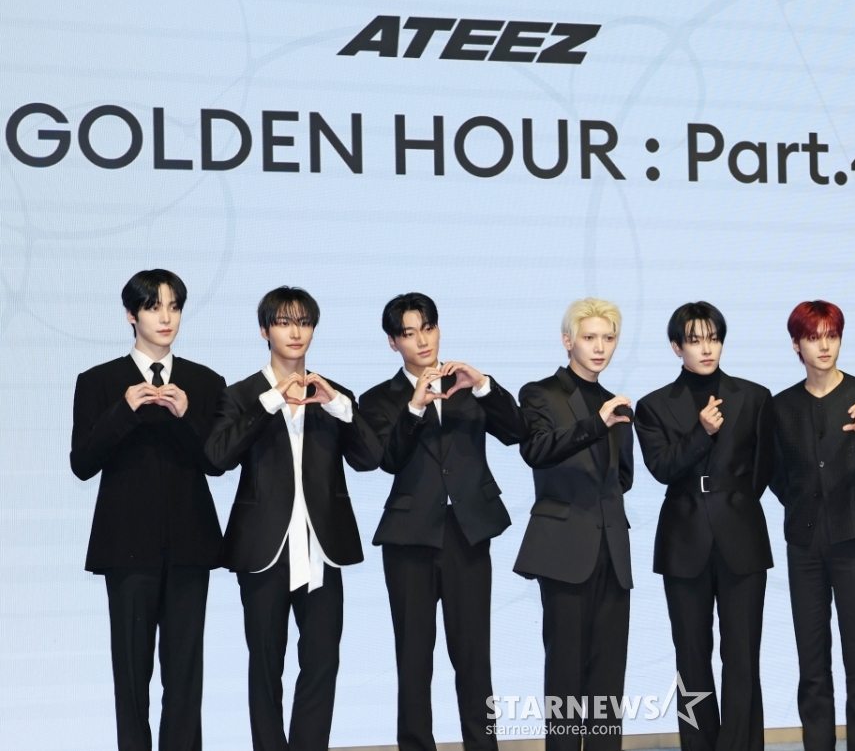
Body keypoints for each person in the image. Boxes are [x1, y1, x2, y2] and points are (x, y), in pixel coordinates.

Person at [204, 287, 381, 751]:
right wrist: (268, 403)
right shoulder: (241, 395)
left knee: (322, 662)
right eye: (284, 322)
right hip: (264, 547)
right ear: (265, 331)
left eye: (303, 322)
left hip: (322, 547)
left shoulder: (333, 394)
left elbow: (370, 458)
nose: (295, 331)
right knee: (266, 665)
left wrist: (338, 405)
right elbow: (217, 457)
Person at [358, 293, 528, 751]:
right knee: (414, 659)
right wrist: (414, 408)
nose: (422, 341)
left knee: (474, 657)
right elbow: (388, 459)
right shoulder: (379, 399)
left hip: (466, 534)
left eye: (428, 328)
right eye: (409, 333)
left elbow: (517, 432)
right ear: (393, 342)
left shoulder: (467, 385)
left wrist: (484, 384)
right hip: (409, 539)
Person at [70, 268, 226, 751]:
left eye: (174, 306)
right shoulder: (99, 381)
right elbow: (82, 463)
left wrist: (186, 416)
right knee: (131, 674)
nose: (166, 317)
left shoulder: (204, 381)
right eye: (154, 307)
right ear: (130, 315)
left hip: (190, 547)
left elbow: (217, 462)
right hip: (126, 549)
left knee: (185, 676)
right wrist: (123, 411)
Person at [633, 301, 774, 751]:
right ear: (677, 347)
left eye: (713, 338)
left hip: (741, 535)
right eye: (694, 340)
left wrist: (735, 500)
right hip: (683, 540)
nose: (706, 348)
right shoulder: (652, 406)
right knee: (691, 657)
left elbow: (763, 468)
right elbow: (661, 468)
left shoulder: (755, 396)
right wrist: (700, 433)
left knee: (742, 655)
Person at [769, 300, 855, 751]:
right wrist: (803, 504)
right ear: (797, 345)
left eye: (832, 335)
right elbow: (775, 474)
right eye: (813, 337)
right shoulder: (781, 406)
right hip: (804, 543)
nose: (824, 346)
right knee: (812, 662)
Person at [512, 298, 635, 751]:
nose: (600, 347)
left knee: (608, 679)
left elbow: (622, 477)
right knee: (565, 673)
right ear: (568, 341)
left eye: (608, 338)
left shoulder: (616, 403)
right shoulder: (540, 393)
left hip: (612, 550)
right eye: (589, 337)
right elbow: (536, 450)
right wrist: (595, 425)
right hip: (563, 548)